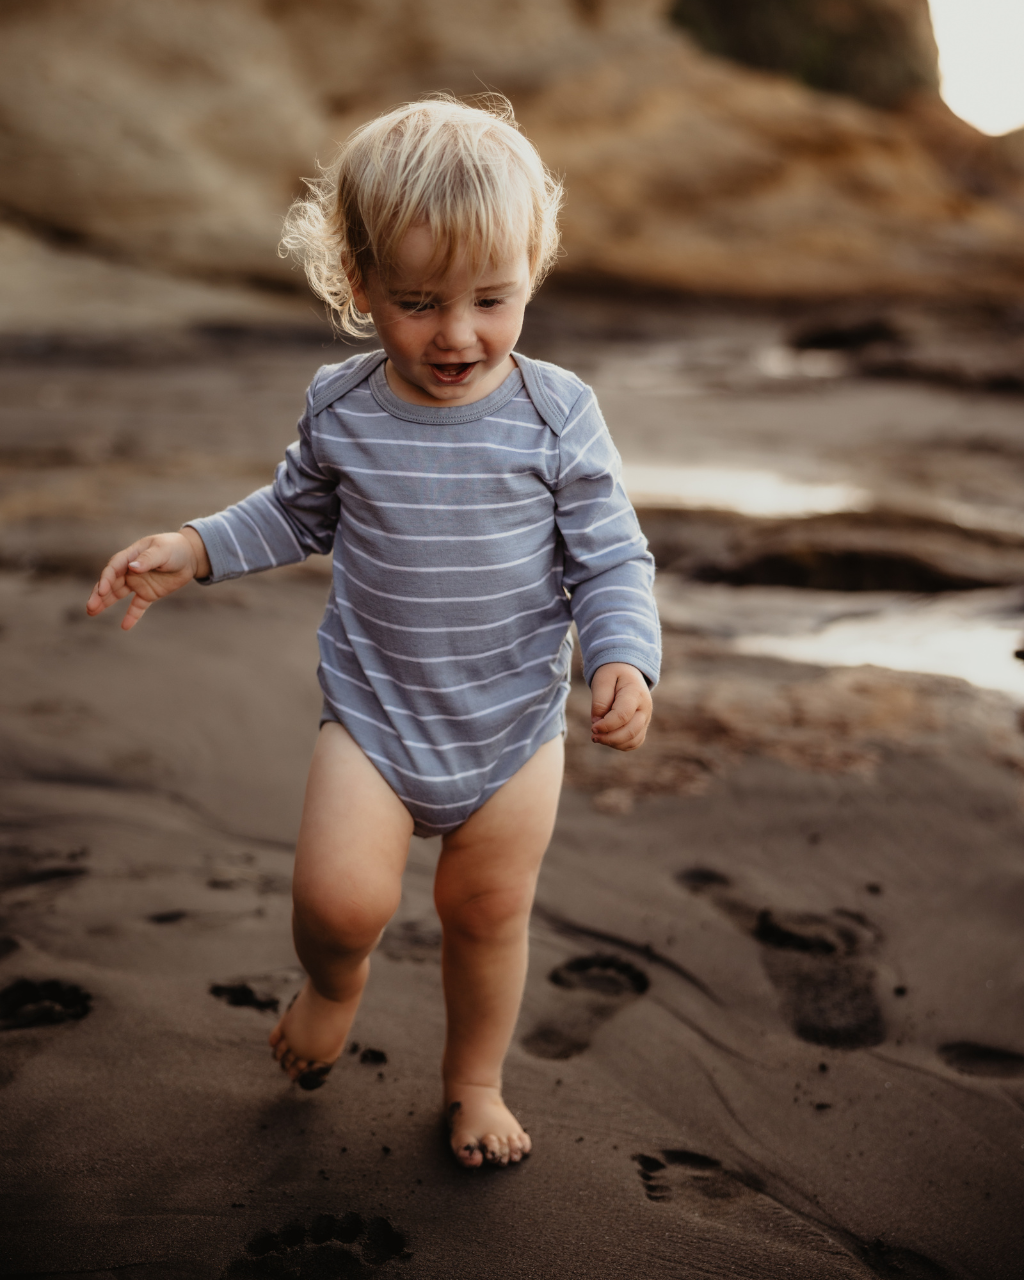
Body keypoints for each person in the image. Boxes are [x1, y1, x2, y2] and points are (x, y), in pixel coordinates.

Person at [85, 95, 661, 1169]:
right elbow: (293, 511)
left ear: (532, 271)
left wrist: (623, 650)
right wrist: (194, 545)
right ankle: (333, 983)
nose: (456, 333)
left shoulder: (557, 412)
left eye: (493, 298)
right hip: (375, 715)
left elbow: (608, 550)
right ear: (357, 284)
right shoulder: (342, 405)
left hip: (512, 722)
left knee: (486, 911)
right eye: (417, 300)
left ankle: (474, 1084)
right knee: (339, 900)